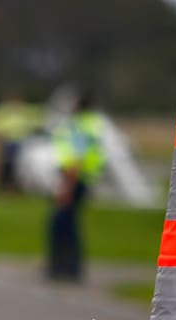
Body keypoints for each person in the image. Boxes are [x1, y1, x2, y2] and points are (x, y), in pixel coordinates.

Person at [46, 90, 106, 282]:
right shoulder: (92, 123)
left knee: (61, 224)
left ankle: (62, 268)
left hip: (75, 179)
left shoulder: (78, 125)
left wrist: (67, 187)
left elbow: (76, 158)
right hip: (84, 178)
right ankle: (69, 268)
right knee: (69, 223)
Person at [0, 92, 44, 192]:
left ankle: (18, 186)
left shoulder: (27, 111)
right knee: (7, 165)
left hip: (23, 143)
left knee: (20, 166)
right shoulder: (1, 111)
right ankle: (6, 186)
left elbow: (40, 119)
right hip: (6, 142)